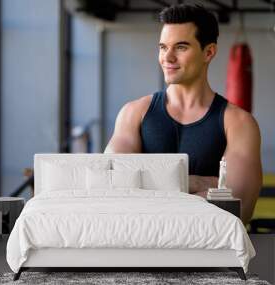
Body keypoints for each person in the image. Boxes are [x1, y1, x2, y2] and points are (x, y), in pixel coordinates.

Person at [104, 4, 262, 225]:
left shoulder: (238, 123)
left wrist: (149, 184)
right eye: (162, 47)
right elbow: (112, 187)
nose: (167, 57)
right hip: (142, 256)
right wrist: (202, 183)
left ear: (208, 52)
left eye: (180, 47)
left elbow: (237, 209)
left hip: (207, 258)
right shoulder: (134, 114)